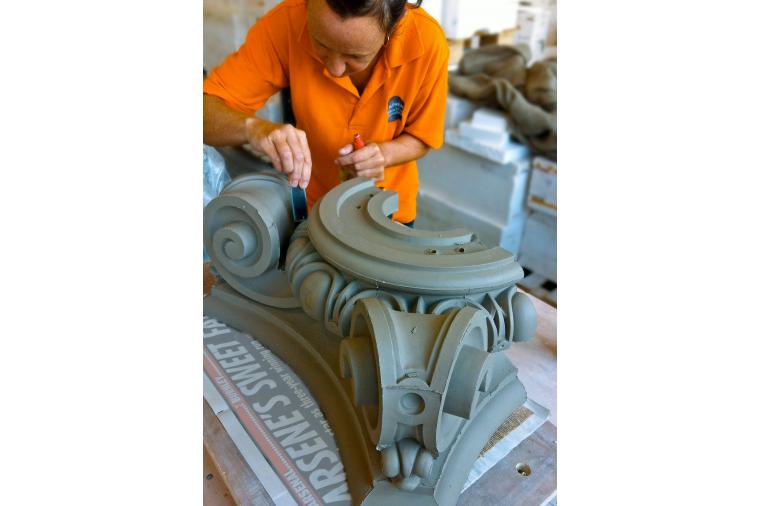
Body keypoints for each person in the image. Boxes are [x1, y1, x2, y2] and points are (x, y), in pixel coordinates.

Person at [203, 0, 448, 226]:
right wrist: (253, 129)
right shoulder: (287, 22)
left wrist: (383, 155)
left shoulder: (426, 42)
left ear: (393, 29)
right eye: (320, 43)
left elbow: (422, 136)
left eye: (355, 56)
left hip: (390, 210)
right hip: (314, 207)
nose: (334, 68)